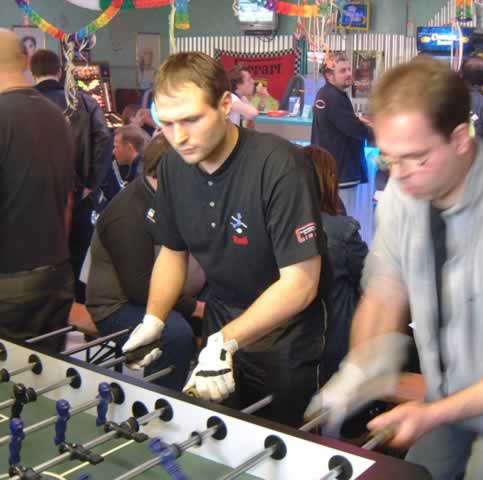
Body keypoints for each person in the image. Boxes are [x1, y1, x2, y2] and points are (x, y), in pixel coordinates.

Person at [307, 57, 483, 480]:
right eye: (390, 160)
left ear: (459, 139)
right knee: (419, 473)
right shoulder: (405, 189)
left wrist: (432, 413)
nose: (400, 176)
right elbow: (384, 291)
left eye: (416, 158)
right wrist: (358, 370)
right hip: (447, 388)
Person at [120, 52, 329, 427]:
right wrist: (154, 320)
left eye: (191, 120)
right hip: (221, 319)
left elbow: (301, 282)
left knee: (279, 441)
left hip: (287, 335)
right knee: (218, 434)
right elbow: (172, 251)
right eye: (167, 123)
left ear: (226, 105)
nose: (179, 137)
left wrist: (226, 340)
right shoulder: (173, 166)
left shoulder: (279, 164)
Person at [86, 134, 203, 391]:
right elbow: (139, 288)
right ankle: (163, 402)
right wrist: (195, 308)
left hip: (172, 292)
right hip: (118, 307)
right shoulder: (127, 214)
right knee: (176, 336)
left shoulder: (172, 198)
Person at [0, 29, 75, 352]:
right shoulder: (57, 117)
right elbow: (69, 199)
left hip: (9, 280)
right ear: (26, 60)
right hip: (56, 271)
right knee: (47, 370)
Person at [30, 49, 112, 303]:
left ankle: (44, 303)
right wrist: (91, 183)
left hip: (32, 195)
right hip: (77, 190)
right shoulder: (83, 101)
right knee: (78, 248)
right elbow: (104, 139)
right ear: (60, 71)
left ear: (32, 72)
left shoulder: (21, 104)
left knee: (39, 251)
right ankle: (77, 304)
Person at [303, 145, 368, 380]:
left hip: (290, 350)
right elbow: (370, 282)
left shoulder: (270, 226)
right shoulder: (342, 231)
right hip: (337, 349)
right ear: (330, 180)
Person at [311, 52, 371, 215]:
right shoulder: (333, 97)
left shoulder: (326, 94)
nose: (349, 74)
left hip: (332, 171)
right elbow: (353, 129)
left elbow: (344, 123)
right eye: (343, 71)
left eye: (349, 69)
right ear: (329, 75)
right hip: (341, 172)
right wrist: (375, 130)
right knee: (344, 220)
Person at [98, 124, 149, 208]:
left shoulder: (141, 177)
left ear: (129, 147)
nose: (113, 152)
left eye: (116, 147)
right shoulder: (141, 168)